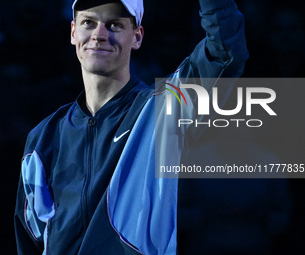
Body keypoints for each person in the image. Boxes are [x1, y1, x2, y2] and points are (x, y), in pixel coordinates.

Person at [14, 0, 248, 254]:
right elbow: (30, 238)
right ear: (73, 32)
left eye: (114, 25)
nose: (99, 35)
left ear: (137, 37)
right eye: (88, 23)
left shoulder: (160, 111)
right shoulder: (43, 137)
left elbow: (223, 52)